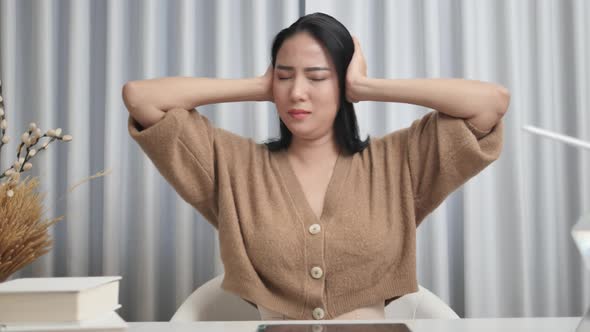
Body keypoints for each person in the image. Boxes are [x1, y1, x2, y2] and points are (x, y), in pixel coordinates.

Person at [122, 12, 508, 321]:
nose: (296, 92)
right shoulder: (235, 165)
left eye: (318, 77)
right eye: (284, 76)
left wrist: (366, 87)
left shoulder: (400, 162)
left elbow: (490, 103)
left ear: (343, 85)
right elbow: (141, 98)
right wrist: (258, 87)